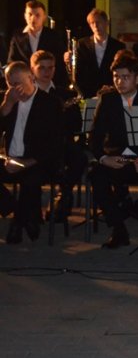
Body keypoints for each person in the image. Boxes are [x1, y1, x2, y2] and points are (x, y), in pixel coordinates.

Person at [86, 50, 138, 250]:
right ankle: (118, 229)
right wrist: (104, 158)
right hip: (117, 159)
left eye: (125, 77)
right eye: (116, 77)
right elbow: (94, 137)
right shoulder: (108, 100)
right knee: (96, 175)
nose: (119, 82)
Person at [0, 61, 63, 244]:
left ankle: (17, 224)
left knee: (31, 180)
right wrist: (7, 105)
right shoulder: (8, 100)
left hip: (38, 161)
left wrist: (28, 162)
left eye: (18, 84)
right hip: (10, 158)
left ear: (31, 79)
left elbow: (55, 144)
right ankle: (18, 210)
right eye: (10, 84)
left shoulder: (49, 103)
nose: (14, 89)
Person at [29, 50, 85, 221]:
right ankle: (33, 208)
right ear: (32, 69)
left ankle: (63, 194)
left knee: (79, 158)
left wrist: (62, 114)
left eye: (50, 68)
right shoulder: (27, 93)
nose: (47, 72)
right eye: (42, 68)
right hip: (34, 146)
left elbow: (77, 126)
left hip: (61, 144)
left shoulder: (65, 94)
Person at [7, 0, 68, 90]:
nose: (33, 18)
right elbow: (12, 62)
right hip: (24, 86)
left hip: (48, 86)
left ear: (44, 17)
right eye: (30, 14)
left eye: (37, 15)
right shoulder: (17, 36)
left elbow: (60, 62)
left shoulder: (53, 36)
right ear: (25, 16)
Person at [69, 8, 126, 100]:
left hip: (111, 94)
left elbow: (121, 71)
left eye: (98, 22)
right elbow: (79, 71)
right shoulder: (82, 44)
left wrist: (111, 89)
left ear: (106, 23)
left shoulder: (118, 46)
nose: (96, 26)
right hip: (88, 93)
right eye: (92, 23)